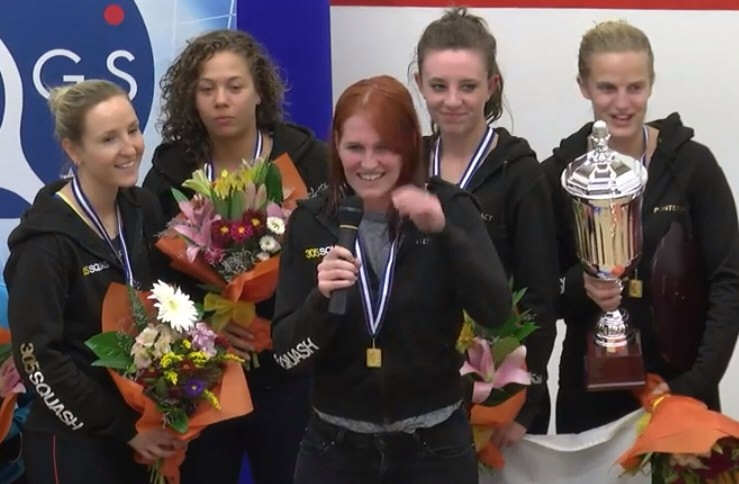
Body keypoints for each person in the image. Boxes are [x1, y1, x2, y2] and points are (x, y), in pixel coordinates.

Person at [271, 75, 512, 484]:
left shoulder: (450, 208)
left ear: (410, 145)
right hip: (335, 450)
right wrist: (320, 300)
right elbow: (287, 357)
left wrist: (446, 234)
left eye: (384, 148)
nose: (369, 164)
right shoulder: (311, 221)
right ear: (336, 147)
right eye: (355, 148)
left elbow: (496, 314)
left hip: (433, 449)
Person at [142, 29, 328, 483]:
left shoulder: (308, 160)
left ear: (260, 92)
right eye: (207, 89)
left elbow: (330, 257)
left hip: (291, 374)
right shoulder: (170, 173)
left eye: (234, 86)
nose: (221, 100)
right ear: (192, 98)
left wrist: (283, 322)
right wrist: (209, 324)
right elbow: (153, 279)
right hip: (205, 377)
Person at [541, 20, 739, 433]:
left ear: (651, 84)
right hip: (590, 392)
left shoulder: (693, 167)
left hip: (681, 390)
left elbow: (728, 281)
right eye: (607, 88)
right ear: (583, 87)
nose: (622, 103)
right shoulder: (559, 175)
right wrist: (580, 284)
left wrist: (695, 383)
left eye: (635, 87)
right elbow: (538, 292)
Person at [5, 80, 183, 483]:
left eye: (133, 130)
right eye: (108, 139)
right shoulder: (45, 244)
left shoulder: (142, 208)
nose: (129, 148)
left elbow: (164, 303)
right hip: (74, 441)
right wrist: (125, 429)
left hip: (143, 427)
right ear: (74, 150)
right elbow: (39, 359)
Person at [414, 7, 559, 443]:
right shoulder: (408, 165)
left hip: (502, 395)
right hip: (419, 387)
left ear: (492, 85)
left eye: (468, 86)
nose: (452, 100)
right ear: (419, 83)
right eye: (438, 85)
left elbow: (540, 298)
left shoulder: (521, 173)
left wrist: (524, 404)